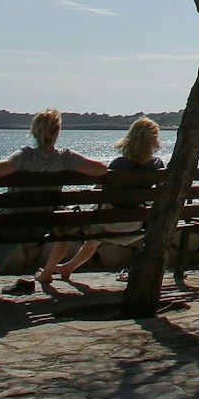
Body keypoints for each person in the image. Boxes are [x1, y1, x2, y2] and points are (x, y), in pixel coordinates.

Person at [0, 108, 109, 293]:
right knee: (11, 237)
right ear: (57, 132)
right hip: (39, 226)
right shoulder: (65, 158)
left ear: (35, 132)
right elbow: (101, 169)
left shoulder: (26, 156)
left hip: (9, 222)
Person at [39, 116, 165, 287]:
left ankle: (55, 270)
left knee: (91, 234)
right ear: (154, 142)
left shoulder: (118, 165)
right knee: (94, 238)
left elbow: (98, 192)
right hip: (135, 226)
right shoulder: (157, 166)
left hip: (108, 223)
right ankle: (68, 268)